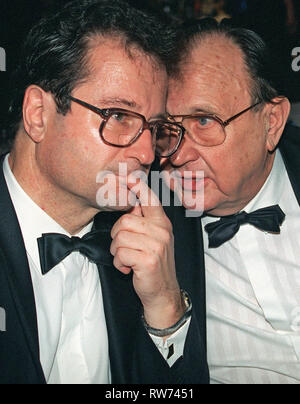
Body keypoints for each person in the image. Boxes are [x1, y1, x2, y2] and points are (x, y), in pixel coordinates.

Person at [0, 0, 209, 384]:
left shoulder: (158, 240)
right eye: (118, 116)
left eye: (155, 127)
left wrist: (164, 306)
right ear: (38, 114)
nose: (147, 153)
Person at [161, 18, 300, 384]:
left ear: (271, 122)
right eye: (167, 129)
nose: (178, 153)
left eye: (204, 121)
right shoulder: (144, 217)